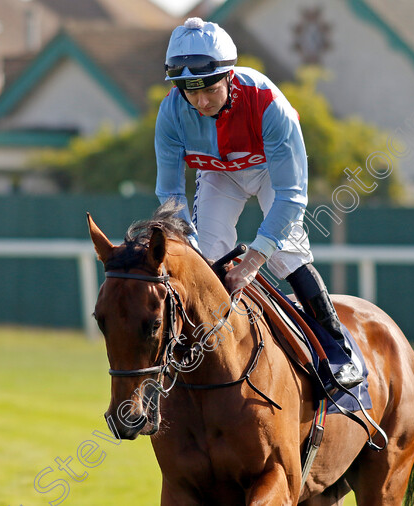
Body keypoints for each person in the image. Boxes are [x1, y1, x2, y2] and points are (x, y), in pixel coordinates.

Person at [154, 17, 361, 389]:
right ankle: (206, 352)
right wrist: (191, 245)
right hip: (218, 172)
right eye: (189, 91)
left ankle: (337, 349)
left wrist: (252, 263)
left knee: (288, 255)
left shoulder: (269, 105)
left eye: (209, 89)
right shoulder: (170, 112)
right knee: (208, 254)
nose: (200, 102)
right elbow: (170, 194)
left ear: (229, 77)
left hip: (269, 170)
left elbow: (292, 197)